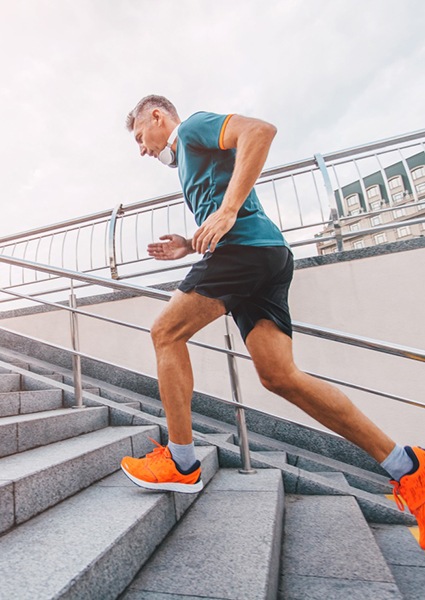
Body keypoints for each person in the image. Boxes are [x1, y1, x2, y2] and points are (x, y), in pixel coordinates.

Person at [120, 95, 425, 549]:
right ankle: (410, 470)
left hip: (244, 250)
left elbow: (260, 131)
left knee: (165, 332)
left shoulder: (192, 129)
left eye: (142, 138)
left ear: (159, 117)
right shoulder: (188, 159)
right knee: (280, 376)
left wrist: (227, 212)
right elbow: (220, 200)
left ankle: (181, 464)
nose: (143, 151)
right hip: (266, 256)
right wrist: (189, 242)